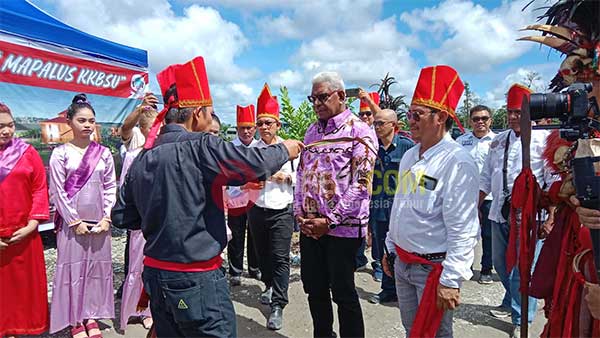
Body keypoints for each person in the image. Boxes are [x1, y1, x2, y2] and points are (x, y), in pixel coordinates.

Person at [111, 56, 303, 337]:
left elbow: (123, 216)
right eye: (209, 113)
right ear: (197, 112)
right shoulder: (202, 146)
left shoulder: (143, 157)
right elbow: (248, 165)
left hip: (155, 276)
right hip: (195, 279)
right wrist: (285, 150)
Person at [383, 65, 479, 338]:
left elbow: (463, 227)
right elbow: (400, 206)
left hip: (432, 270)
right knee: (412, 331)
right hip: (403, 263)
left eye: (417, 115)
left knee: (436, 333)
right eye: (409, 114)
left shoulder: (457, 161)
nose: (410, 120)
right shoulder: (410, 156)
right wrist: (390, 245)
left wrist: (451, 279)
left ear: (441, 117)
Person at [294, 71, 377, 338]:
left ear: (341, 96)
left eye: (322, 96)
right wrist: (299, 214)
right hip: (310, 228)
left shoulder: (359, 131)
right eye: (313, 98)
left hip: (343, 230)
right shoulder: (311, 131)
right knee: (314, 289)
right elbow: (302, 174)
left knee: (343, 293)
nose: (317, 103)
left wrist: (329, 220)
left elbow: (362, 184)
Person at [479, 84, 555, 337]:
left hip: (531, 216)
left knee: (523, 270)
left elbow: (553, 181)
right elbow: (486, 178)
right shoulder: (499, 140)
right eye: (510, 111)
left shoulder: (544, 140)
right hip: (499, 212)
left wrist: (551, 218)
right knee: (501, 264)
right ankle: (516, 301)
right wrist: (474, 206)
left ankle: (521, 317)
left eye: (518, 111)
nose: (513, 116)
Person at [49, 94, 117, 338]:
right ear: (69, 122)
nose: (88, 125)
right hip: (72, 225)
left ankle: (91, 315)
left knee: (96, 270)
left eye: (91, 121)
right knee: (72, 270)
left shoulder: (104, 153)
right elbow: (57, 191)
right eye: (82, 120)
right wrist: (74, 221)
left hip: (100, 223)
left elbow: (110, 186)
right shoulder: (60, 154)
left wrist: (107, 218)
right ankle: (74, 319)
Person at [245, 83, 298, 330]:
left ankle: (278, 304)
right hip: (257, 208)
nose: (264, 127)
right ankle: (269, 284)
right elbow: (245, 178)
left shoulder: (288, 148)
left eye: (269, 123)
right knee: (262, 254)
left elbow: (300, 178)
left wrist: (286, 178)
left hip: (281, 210)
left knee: (280, 257)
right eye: (261, 123)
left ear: (277, 125)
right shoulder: (252, 150)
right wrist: (265, 177)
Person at [0, 103, 50, 338]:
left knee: (21, 292)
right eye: (0, 126)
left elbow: (39, 189)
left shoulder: (27, 152)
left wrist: (32, 224)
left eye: (10, 125)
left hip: (24, 236)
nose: (7, 131)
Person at [118, 92, 161, 332]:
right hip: (141, 221)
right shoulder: (134, 150)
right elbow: (128, 191)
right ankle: (135, 308)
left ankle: (150, 309)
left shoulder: (165, 151)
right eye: (152, 127)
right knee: (136, 266)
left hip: (158, 220)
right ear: (143, 129)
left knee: (153, 267)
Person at [367, 108, 413, 304]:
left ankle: (407, 290)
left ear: (394, 125)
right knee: (384, 250)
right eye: (375, 123)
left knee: (404, 250)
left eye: (380, 123)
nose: (376, 127)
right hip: (378, 207)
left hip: (402, 209)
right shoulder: (369, 147)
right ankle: (388, 289)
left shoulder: (407, 148)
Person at [456, 105, 496, 284]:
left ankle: (486, 269)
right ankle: (466, 267)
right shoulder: (461, 141)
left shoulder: (498, 141)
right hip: (466, 196)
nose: (480, 122)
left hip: (490, 197)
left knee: (488, 234)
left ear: (490, 121)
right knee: (466, 233)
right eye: (476, 119)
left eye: (484, 118)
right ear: (470, 121)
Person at [225, 104, 261, 286]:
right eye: (242, 128)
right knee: (236, 235)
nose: (246, 132)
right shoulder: (230, 148)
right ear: (237, 128)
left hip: (256, 199)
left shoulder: (260, 147)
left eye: (249, 127)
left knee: (255, 235)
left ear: (255, 128)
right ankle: (235, 270)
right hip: (235, 197)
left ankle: (254, 268)